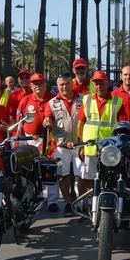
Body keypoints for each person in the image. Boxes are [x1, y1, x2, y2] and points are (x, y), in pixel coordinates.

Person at [76, 70, 127, 194]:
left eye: (102, 83)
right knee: (87, 177)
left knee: (109, 178)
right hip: (90, 147)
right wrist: (81, 146)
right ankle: (89, 202)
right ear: (93, 84)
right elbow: (80, 124)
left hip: (109, 148)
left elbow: (122, 126)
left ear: (107, 83)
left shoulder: (117, 101)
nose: (99, 87)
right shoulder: (87, 100)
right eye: (96, 84)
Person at [16, 72, 59, 210]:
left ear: (45, 84)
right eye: (35, 84)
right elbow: (19, 122)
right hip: (30, 140)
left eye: (41, 83)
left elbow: (54, 117)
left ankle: (52, 200)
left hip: (48, 140)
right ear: (31, 85)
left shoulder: (53, 99)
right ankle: (35, 195)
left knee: (50, 169)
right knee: (30, 169)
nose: (38, 86)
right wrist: (19, 140)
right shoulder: (25, 100)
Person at [44, 73, 83, 216]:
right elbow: (47, 117)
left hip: (80, 144)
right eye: (61, 84)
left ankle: (79, 201)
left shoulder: (83, 100)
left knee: (81, 175)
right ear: (58, 85)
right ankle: (67, 202)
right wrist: (47, 121)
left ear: (72, 84)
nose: (64, 87)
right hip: (62, 146)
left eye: (67, 84)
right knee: (63, 175)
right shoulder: (52, 102)